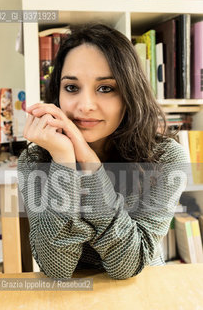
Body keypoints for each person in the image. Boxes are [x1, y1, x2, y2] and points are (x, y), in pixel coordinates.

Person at [18, 23, 188, 280]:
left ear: (130, 93)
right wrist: (63, 161)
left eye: (106, 88)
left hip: (142, 294)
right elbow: (56, 269)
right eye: (72, 88)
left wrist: (88, 163)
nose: (85, 106)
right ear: (57, 93)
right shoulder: (35, 159)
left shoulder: (166, 158)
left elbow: (128, 267)